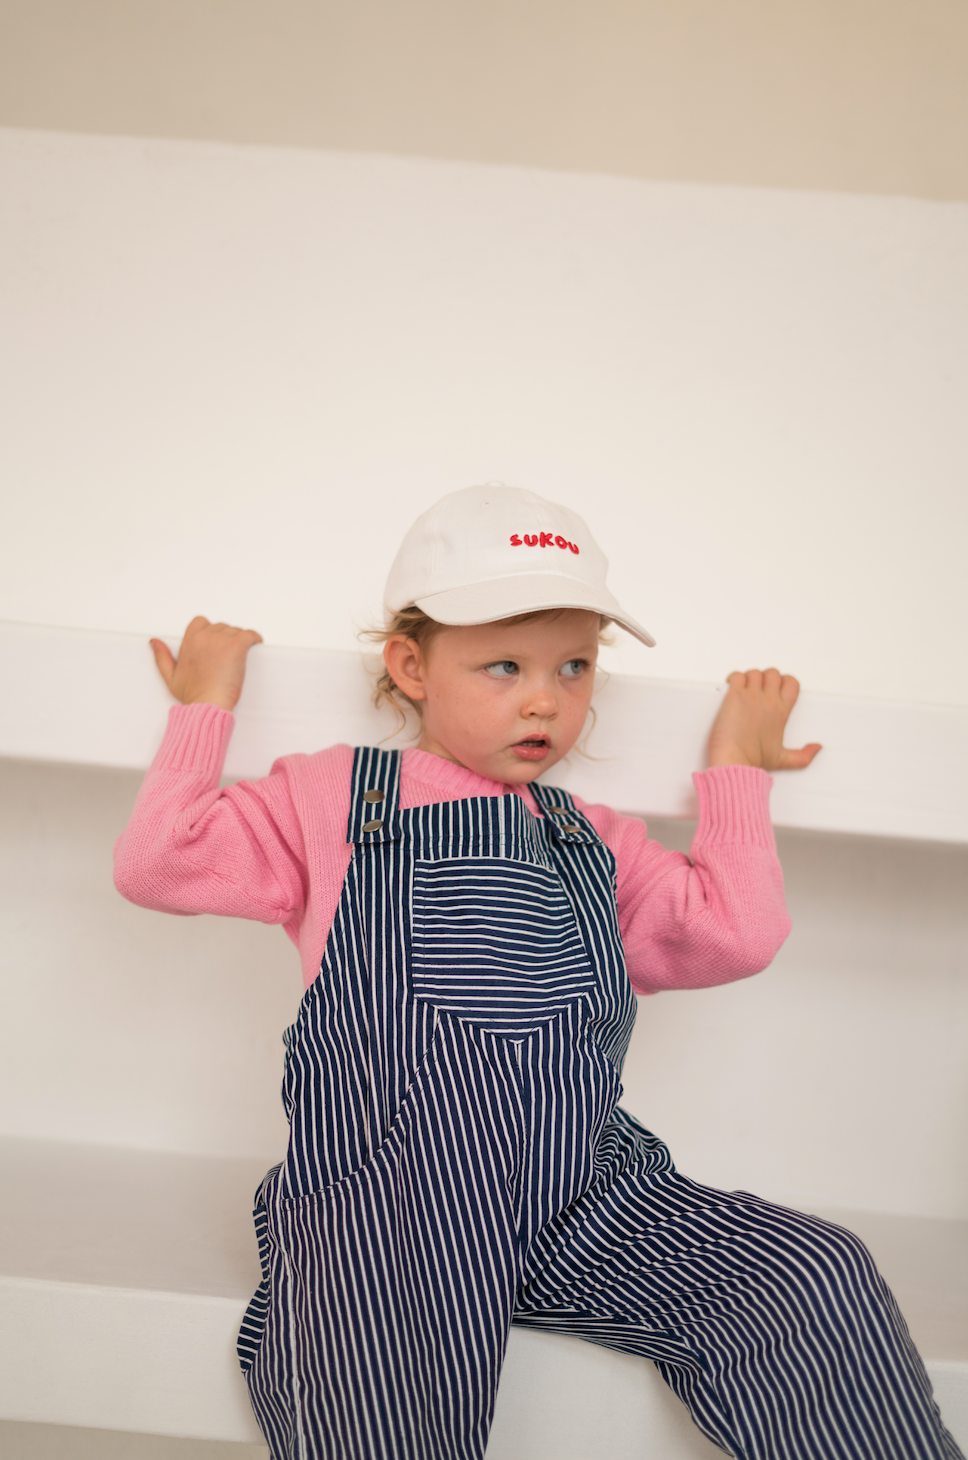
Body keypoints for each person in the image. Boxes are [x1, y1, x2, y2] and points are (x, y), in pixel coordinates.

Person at [114, 484, 961, 1460]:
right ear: (410, 666)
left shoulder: (592, 841)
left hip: (583, 1196)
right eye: (503, 664)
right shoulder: (334, 797)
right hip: (397, 1209)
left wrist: (736, 772)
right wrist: (205, 709)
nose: (543, 698)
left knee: (809, 1271)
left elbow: (735, 932)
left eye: (574, 664)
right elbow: (158, 862)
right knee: (384, 1422)